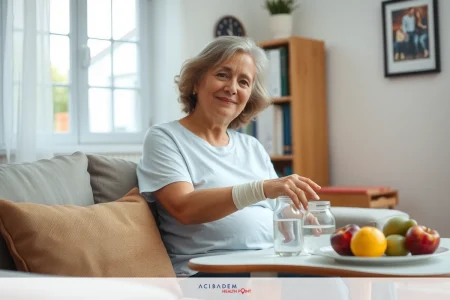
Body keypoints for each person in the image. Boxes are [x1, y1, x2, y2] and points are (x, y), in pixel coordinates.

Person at [137, 35, 321, 278]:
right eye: (223, 75)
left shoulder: (252, 147)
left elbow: (278, 208)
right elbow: (183, 208)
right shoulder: (165, 138)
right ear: (196, 82)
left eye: (244, 82)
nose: (232, 88)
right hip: (209, 274)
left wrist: (302, 216)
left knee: (334, 281)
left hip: (270, 262)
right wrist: (262, 188)